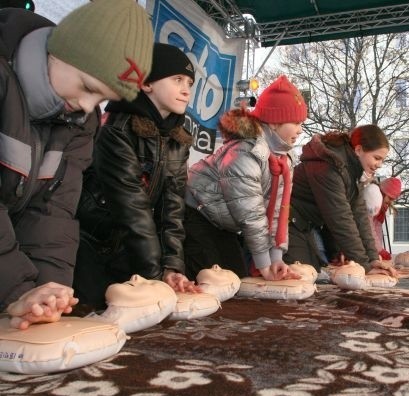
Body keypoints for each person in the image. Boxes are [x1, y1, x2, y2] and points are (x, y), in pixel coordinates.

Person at [0, 1, 153, 327]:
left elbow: (53, 212)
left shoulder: (80, 121)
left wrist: (46, 295)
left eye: (101, 100)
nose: (87, 106)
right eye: (87, 87)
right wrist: (16, 290)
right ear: (59, 52)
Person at [73, 43, 200, 308]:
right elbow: (132, 208)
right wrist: (155, 277)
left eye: (189, 82)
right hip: (91, 245)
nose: (186, 89)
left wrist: (172, 267)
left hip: (130, 249)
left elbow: (172, 210)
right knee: (90, 323)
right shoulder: (117, 130)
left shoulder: (178, 139)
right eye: (177, 79)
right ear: (146, 84)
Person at [184, 75, 307, 281]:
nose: (300, 130)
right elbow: (250, 213)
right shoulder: (245, 152)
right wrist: (263, 264)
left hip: (222, 222)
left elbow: (278, 211)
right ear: (274, 123)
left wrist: (276, 258)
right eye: (295, 122)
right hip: (196, 215)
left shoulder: (283, 160)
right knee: (215, 282)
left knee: (237, 279)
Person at [283, 125, 398, 277]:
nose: (379, 164)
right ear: (358, 150)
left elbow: (360, 216)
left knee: (314, 275)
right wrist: (363, 264)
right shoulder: (328, 168)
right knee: (302, 276)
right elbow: (340, 219)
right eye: (377, 158)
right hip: (287, 223)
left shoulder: (353, 173)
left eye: (382, 160)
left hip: (305, 225)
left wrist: (373, 258)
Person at [363, 177, 402, 260]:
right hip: (359, 244)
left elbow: (377, 228)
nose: (390, 202)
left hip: (368, 246)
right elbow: (368, 227)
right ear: (383, 193)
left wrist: (378, 249)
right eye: (390, 198)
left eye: (393, 199)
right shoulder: (371, 199)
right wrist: (379, 250)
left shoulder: (381, 208)